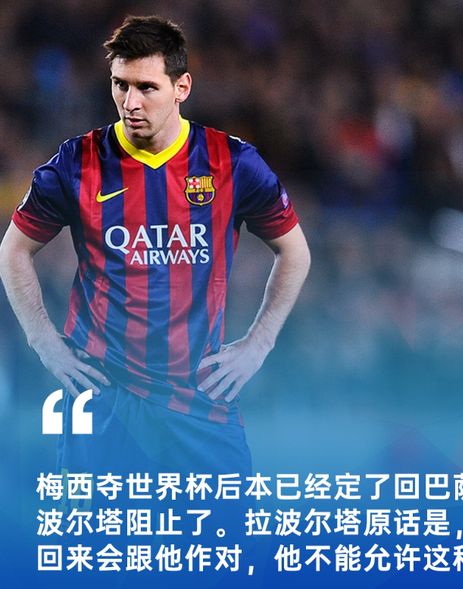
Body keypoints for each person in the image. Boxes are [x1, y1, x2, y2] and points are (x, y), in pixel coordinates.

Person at [0, 15, 310, 482]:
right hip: (102, 398)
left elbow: (295, 251)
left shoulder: (232, 163)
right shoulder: (76, 163)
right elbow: (13, 251)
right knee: (100, 532)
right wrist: (43, 342)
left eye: (146, 87)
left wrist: (258, 344)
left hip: (199, 399)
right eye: (120, 85)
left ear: (181, 87)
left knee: (221, 531)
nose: (130, 102)